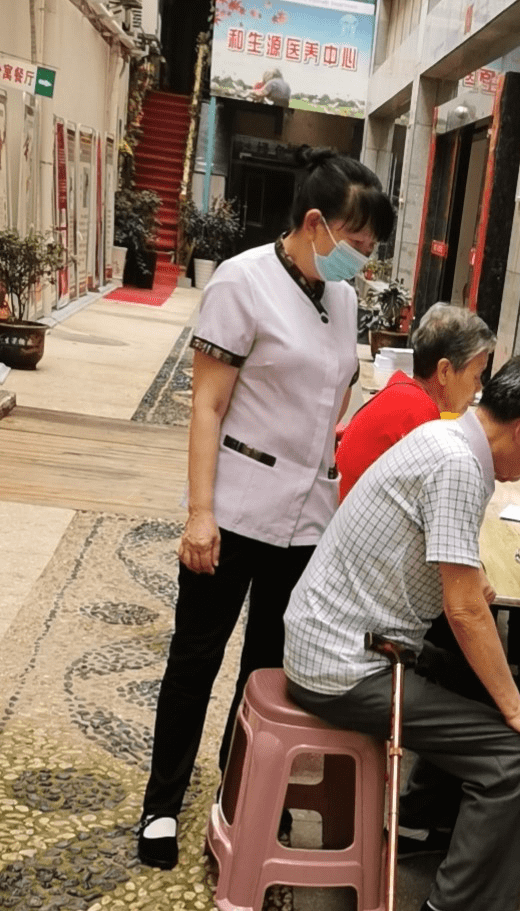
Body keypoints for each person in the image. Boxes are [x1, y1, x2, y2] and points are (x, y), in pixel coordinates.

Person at [283, 346, 520, 911]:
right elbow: (465, 609)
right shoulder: (459, 464)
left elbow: (449, 569)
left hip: (332, 636)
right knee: (512, 748)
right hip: (347, 664)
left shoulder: (449, 439)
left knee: (479, 683)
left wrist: (471, 584)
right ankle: (455, 908)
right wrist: (519, 711)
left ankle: (423, 821)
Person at [137, 147, 395, 870]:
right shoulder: (241, 282)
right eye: (357, 243)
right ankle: (161, 804)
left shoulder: (341, 297)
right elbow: (208, 406)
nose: (362, 261)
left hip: (306, 519)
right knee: (196, 657)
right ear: (315, 223)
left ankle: (237, 797)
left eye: (370, 249)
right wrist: (199, 511)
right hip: (235, 507)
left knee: (268, 669)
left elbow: (336, 390)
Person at [336, 302, 496, 500]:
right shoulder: (418, 415)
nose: (479, 387)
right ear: (445, 371)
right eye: (476, 376)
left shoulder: (406, 394)